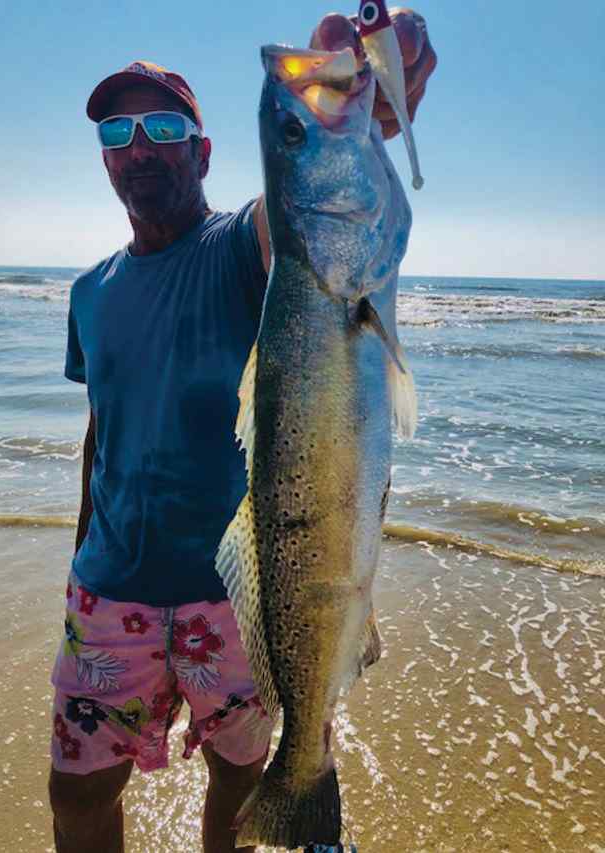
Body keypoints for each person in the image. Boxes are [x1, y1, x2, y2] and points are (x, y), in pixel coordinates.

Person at [48, 11, 437, 853]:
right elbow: (101, 432)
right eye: (119, 130)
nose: (139, 144)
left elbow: (306, 217)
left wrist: (367, 97)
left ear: (203, 151)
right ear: (107, 157)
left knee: (241, 784)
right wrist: (79, 562)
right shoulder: (89, 291)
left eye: (163, 126)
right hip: (107, 590)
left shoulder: (241, 246)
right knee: (76, 794)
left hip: (237, 598)